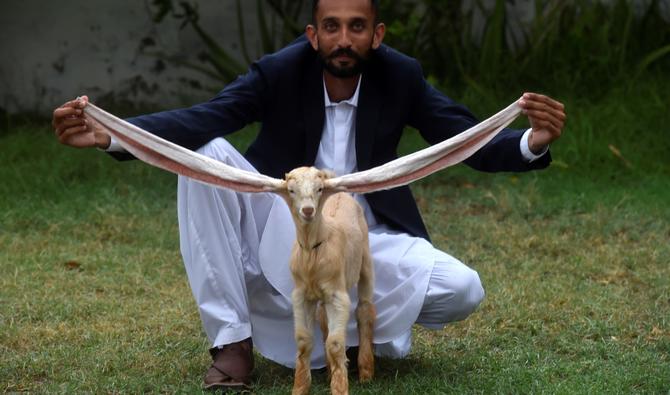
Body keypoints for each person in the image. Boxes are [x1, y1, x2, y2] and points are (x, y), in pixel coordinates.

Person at [52, 0, 566, 390]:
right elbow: (207, 117)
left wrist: (529, 141)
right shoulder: (280, 72)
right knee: (205, 152)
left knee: (463, 289)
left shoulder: (400, 76)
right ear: (313, 35)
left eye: (357, 27)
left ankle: (341, 331)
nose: (344, 39)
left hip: (365, 237)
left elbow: (460, 138)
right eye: (332, 28)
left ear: (377, 35)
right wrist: (114, 134)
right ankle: (232, 340)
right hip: (285, 225)